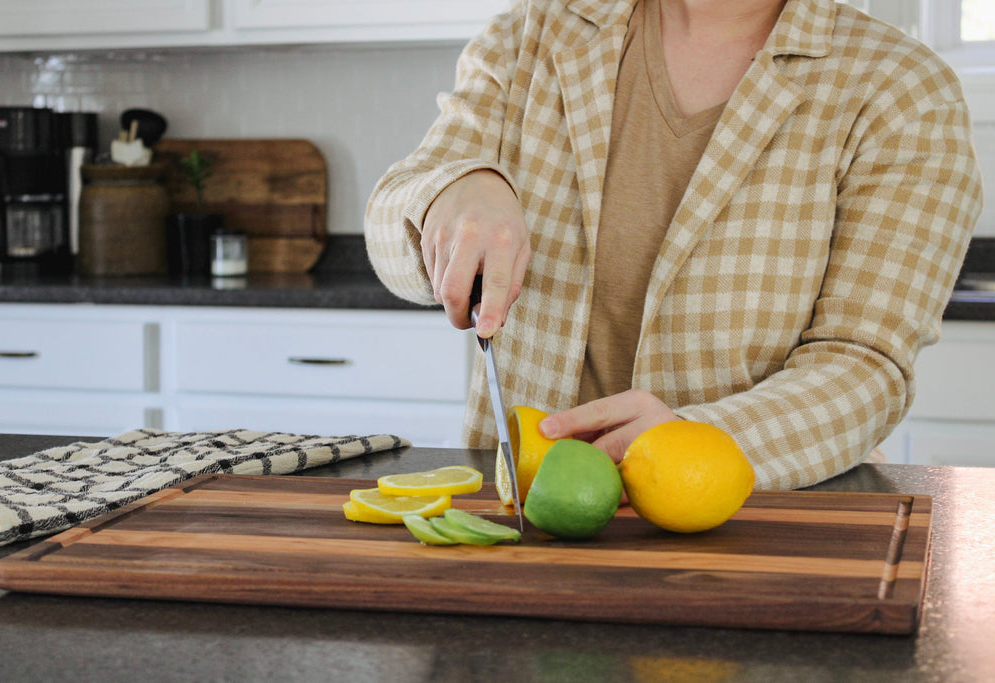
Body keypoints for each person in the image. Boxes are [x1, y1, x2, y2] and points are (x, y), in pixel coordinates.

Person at [364, 0, 983, 490]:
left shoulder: (905, 92)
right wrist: (451, 191)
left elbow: (866, 369)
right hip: (525, 524)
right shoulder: (532, 33)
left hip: (756, 532)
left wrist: (695, 441)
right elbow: (393, 231)